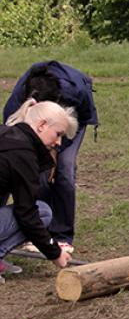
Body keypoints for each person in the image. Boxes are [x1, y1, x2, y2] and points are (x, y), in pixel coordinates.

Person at [3, 61, 98, 253]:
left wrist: (55, 149)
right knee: (37, 178)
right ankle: (37, 232)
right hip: (40, 131)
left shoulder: (75, 91)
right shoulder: (16, 105)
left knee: (65, 169)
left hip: (72, 122)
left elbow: (85, 116)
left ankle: (62, 234)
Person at [0, 100, 75, 280]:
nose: (58, 142)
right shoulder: (23, 154)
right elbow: (28, 213)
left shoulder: (5, 133)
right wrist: (54, 253)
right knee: (42, 212)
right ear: (42, 125)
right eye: (58, 134)